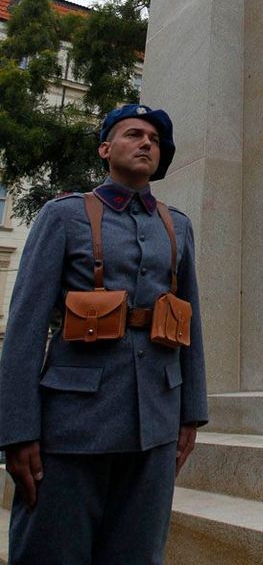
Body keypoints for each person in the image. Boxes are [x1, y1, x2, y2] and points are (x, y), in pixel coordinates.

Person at [0, 104, 208, 565]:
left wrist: (190, 415)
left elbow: (190, 325)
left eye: (154, 138)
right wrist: (17, 432)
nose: (146, 143)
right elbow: (25, 329)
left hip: (153, 427)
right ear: (105, 148)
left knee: (137, 554)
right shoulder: (63, 216)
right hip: (73, 426)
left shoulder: (177, 228)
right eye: (134, 134)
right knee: (52, 552)